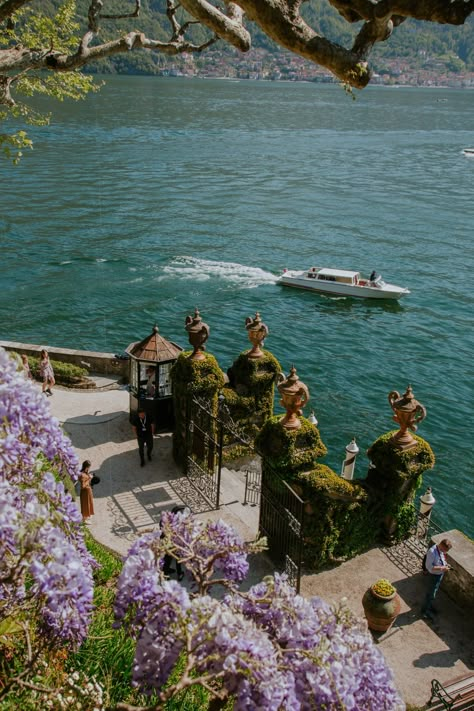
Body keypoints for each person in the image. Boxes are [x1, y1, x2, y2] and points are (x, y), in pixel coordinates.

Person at [421, 538, 453, 621]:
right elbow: (429, 567)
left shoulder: (440, 550)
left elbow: (440, 559)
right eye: (445, 550)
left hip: (439, 575)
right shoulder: (432, 552)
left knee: (433, 593)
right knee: (430, 594)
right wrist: (442, 568)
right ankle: (424, 611)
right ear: (442, 546)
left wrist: (445, 565)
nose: (445, 552)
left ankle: (429, 606)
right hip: (434, 576)